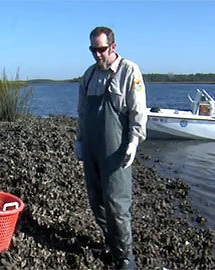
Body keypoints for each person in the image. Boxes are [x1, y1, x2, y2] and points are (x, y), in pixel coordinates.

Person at [74, 26, 147, 269]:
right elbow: (82, 112)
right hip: (92, 149)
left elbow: (138, 112)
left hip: (116, 151)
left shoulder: (129, 71)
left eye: (102, 49)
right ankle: (109, 243)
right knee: (97, 201)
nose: (97, 55)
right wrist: (80, 140)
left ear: (113, 47)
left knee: (117, 204)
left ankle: (125, 257)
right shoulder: (89, 76)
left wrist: (134, 142)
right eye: (93, 50)